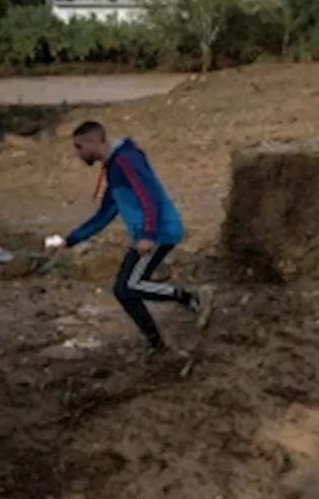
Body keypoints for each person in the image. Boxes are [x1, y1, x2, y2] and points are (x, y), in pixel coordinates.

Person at [53, 121, 213, 358]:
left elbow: (149, 196)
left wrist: (148, 234)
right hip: (147, 235)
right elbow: (105, 214)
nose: (78, 153)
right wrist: (71, 240)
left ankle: (192, 298)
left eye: (79, 147)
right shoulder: (115, 168)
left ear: (92, 142)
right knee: (125, 290)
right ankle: (157, 345)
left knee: (128, 286)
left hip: (159, 233)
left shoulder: (127, 160)